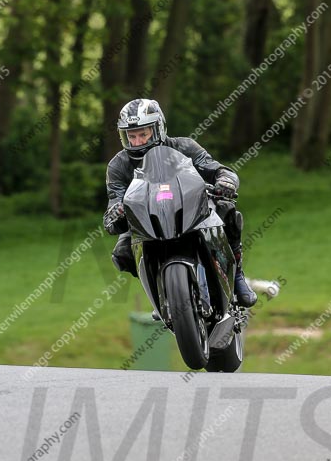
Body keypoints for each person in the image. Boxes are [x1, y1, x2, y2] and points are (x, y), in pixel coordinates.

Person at [103, 98, 257, 308]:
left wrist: (225, 181)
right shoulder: (118, 165)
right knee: (122, 252)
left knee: (227, 209)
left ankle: (237, 276)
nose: (137, 141)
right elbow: (115, 200)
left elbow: (216, 168)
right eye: (131, 136)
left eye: (143, 134)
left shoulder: (184, 146)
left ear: (158, 129)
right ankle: (160, 291)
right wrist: (115, 212)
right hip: (144, 221)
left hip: (191, 208)